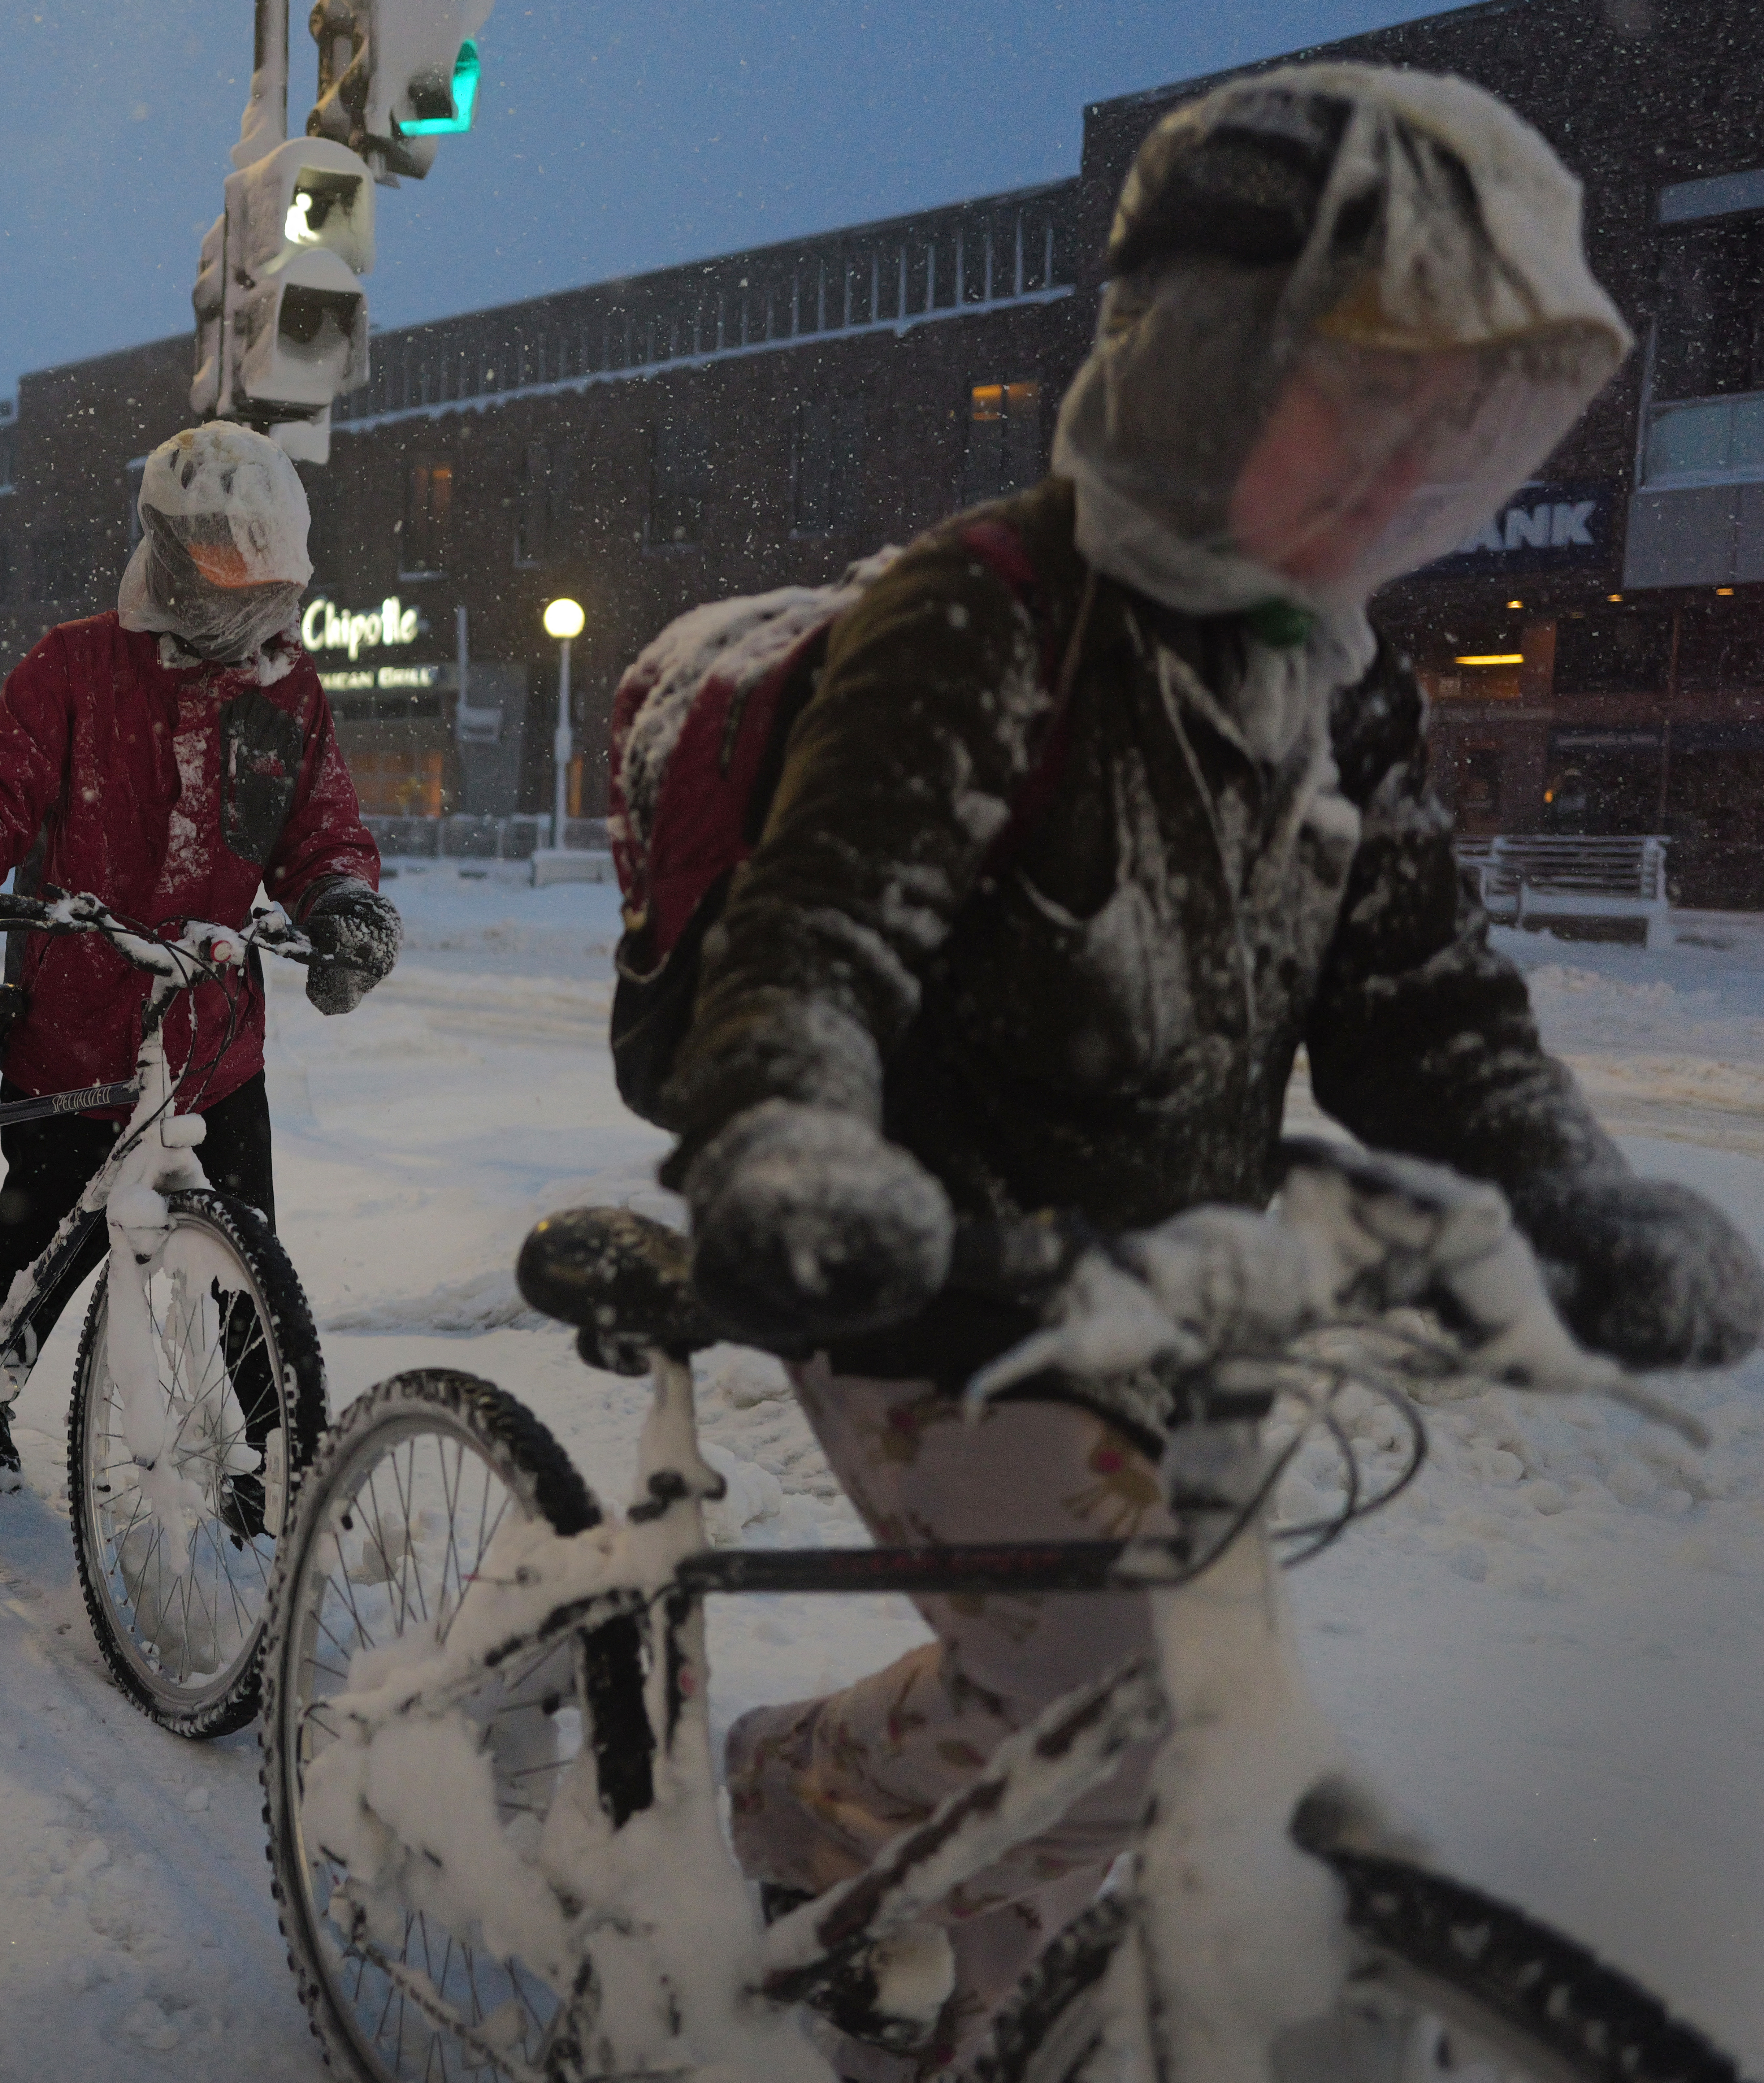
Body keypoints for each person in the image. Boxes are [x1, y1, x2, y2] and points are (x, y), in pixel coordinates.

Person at [655, 67, 1763, 2078]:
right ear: (1192, 367)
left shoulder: (1330, 677)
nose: (1396, 475)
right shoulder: (983, 620)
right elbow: (815, 936)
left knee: (1119, 1726)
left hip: (1158, 1293)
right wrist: (794, 1144)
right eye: (1359, 402)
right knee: (1117, 1691)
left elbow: (1422, 1001)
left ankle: (935, 2000)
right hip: (917, 1274)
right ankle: (759, 1798)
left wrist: (1570, 1185)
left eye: (1445, 430)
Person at [0, 421, 399, 1489]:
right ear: (171, 560)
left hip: (214, 1043)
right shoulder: (74, 666)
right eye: (224, 576)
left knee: (245, 1275)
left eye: (265, 581)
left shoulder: (286, 693)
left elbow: (319, 829)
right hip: (74, 1033)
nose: (248, 607)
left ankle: (279, 1478)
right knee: (34, 1256)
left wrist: (342, 902)